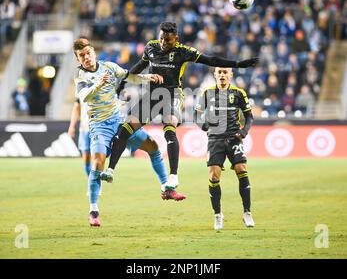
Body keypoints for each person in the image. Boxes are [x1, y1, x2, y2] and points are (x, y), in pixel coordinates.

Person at [107, 21, 259, 196]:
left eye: (168, 40)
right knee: (126, 127)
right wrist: (123, 83)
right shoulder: (151, 47)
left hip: (172, 95)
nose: (164, 43)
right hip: (152, 95)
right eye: (162, 38)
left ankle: (173, 176)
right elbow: (137, 68)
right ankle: (110, 170)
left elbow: (211, 60)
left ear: (176, 39)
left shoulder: (183, 51)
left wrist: (238, 64)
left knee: (169, 128)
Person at [73, 38, 186, 227]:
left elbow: (128, 76)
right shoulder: (81, 78)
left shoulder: (108, 66)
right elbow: (83, 96)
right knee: (98, 161)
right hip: (99, 126)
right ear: (78, 59)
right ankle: (93, 209)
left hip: (118, 121)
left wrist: (146, 78)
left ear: (93, 51)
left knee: (152, 145)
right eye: (82, 56)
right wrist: (99, 85)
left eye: (88, 53)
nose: (86, 58)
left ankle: (166, 187)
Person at [194, 67, 255, 230]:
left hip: (234, 138)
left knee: (241, 169)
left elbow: (249, 116)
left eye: (225, 72)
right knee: (214, 176)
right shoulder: (207, 93)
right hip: (215, 139)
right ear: (215, 75)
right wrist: (203, 125)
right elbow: (196, 114)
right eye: (219, 72)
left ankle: (247, 213)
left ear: (230, 75)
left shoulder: (239, 93)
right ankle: (218, 214)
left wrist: (244, 132)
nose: (222, 75)